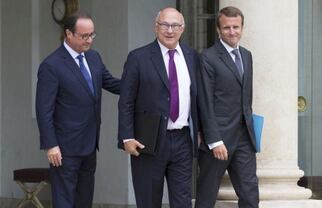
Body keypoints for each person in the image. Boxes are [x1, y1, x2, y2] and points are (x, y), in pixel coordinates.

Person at [35, 12, 120, 208]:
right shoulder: (52, 65)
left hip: (90, 144)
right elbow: (43, 109)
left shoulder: (94, 58)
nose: (89, 40)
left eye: (92, 35)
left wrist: (141, 82)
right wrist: (51, 144)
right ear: (68, 34)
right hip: (64, 148)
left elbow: (113, 84)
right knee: (65, 200)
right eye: (84, 36)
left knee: (84, 199)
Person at [118, 7, 199, 208]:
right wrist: (127, 137)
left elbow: (199, 98)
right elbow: (126, 101)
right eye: (164, 25)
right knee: (148, 201)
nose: (169, 30)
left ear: (183, 28)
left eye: (175, 25)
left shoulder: (192, 57)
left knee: (182, 201)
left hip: (182, 140)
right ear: (156, 27)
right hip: (148, 141)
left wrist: (201, 131)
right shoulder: (138, 57)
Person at [195, 6, 259, 208]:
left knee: (250, 194)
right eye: (226, 28)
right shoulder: (208, 57)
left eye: (236, 27)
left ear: (242, 27)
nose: (232, 32)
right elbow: (204, 101)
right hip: (218, 140)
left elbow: (245, 98)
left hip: (244, 139)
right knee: (207, 195)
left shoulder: (247, 56)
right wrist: (214, 140)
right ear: (218, 30)